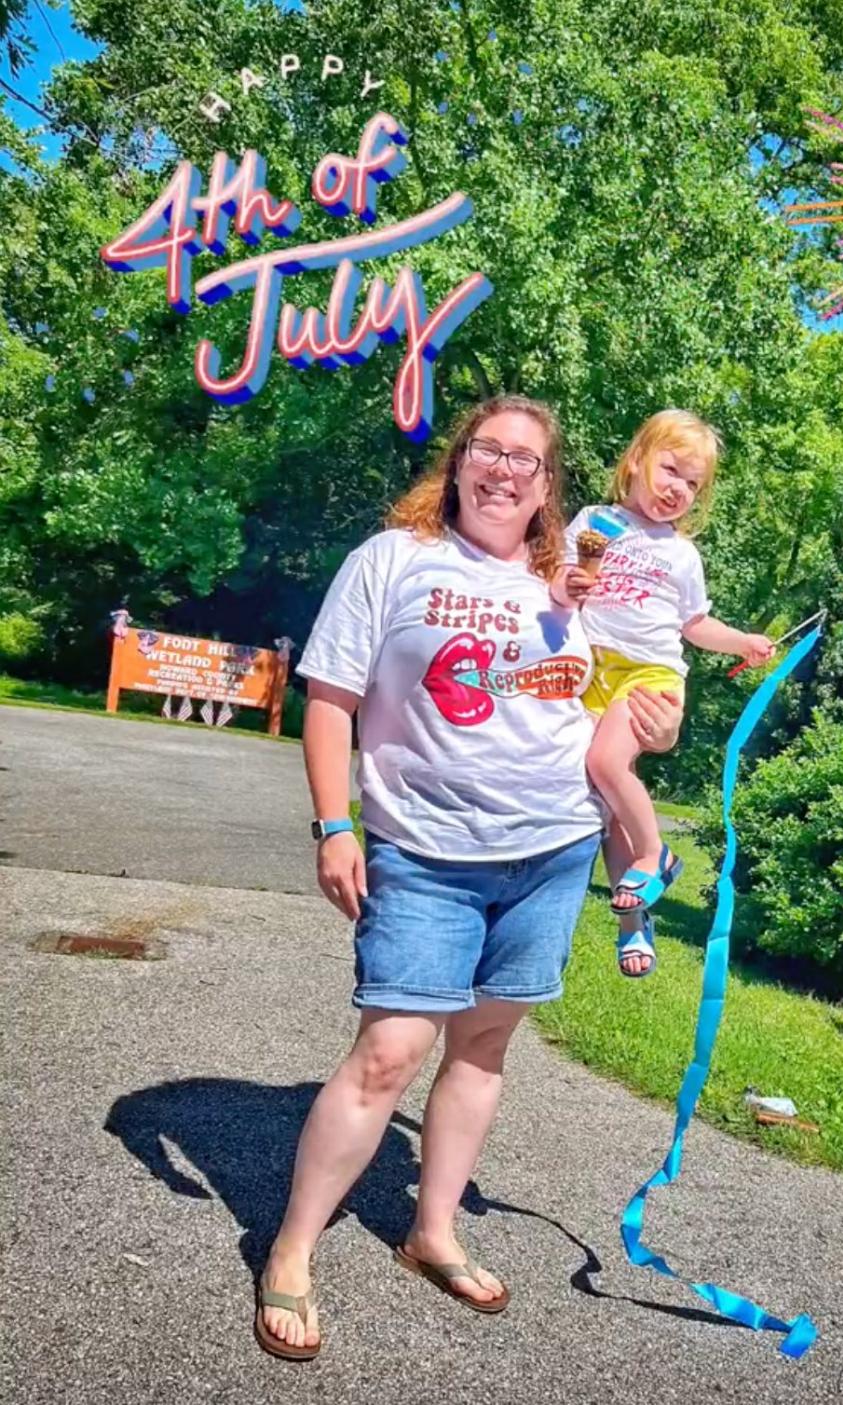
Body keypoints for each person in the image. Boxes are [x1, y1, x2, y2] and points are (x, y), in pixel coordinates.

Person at [255, 395, 683, 1360]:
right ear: (457, 465)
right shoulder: (392, 560)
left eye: (526, 460)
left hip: (553, 845)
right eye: (488, 450)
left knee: (483, 1048)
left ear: (547, 488)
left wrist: (660, 725)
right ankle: (288, 1249)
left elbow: (635, 699)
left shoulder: (575, 584)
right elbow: (331, 702)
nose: (504, 470)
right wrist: (335, 824)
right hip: (425, 851)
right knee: (390, 1051)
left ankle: (431, 1229)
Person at [552, 410, 774, 979]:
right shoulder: (593, 521)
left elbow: (694, 625)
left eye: (692, 483)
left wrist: (742, 641)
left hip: (649, 675)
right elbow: (557, 578)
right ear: (636, 462)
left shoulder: (681, 554)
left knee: (605, 763)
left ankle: (655, 855)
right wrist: (569, 584)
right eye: (670, 469)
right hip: (590, 668)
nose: (678, 488)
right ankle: (633, 921)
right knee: (601, 806)